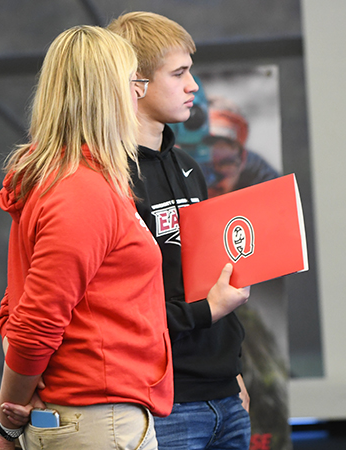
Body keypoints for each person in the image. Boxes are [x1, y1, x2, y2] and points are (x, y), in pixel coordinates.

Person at [0, 25, 172, 450]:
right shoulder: (81, 191)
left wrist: (10, 415)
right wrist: (8, 421)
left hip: (93, 418)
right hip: (96, 420)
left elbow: (18, 306)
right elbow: (33, 322)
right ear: (105, 94)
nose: (138, 95)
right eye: (133, 82)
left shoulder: (76, 182)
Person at [107, 11, 252, 450]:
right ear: (136, 82)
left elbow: (207, 277)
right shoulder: (107, 180)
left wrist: (234, 374)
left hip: (224, 396)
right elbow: (118, 307)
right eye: (180, 73)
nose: (194, 86)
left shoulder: (189, 168)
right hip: (161, 403)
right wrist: (207, 311)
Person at [203, 95, 279, 197]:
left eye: (226, 164)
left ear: (243, 160)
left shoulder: (261, 179)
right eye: (203, 164)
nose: (212, 179)